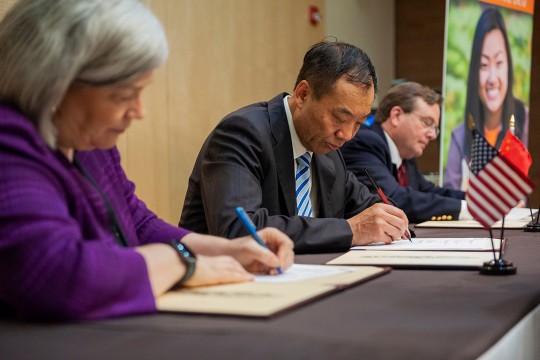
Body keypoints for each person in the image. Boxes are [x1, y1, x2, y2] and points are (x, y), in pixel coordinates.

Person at [0, 0, 294, 322]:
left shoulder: (88, 140)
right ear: (54, 85)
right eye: (124, 95)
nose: (139, 111)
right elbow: (57, 277)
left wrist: (229, 250)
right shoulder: (9, 144)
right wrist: (182, 263)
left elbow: (136, 223)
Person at [180, 40, 410, 253]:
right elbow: (238, 230)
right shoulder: (243, 133)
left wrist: (389, 219)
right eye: (340, 118)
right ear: (303, 94)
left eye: (359, 123)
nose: (347, 135)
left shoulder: (327, 153)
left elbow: (367, 206)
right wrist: (353, 230)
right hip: (227, 283)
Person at [340, 82, 470, 223]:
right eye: (427, 123)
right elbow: (393, 198)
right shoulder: (365, 142)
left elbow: (429, 191)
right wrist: (465, 209)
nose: (433, 135)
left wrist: (475, 201)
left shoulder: (406, 155)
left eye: (435, 128)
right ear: (396, 116)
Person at [444, 6, 529, 190]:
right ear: (475, 71)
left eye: (499, 63)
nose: (492, 78)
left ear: (508, 67)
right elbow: (450, 194)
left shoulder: (526, 121)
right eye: (483, 65)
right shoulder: (460, 136)